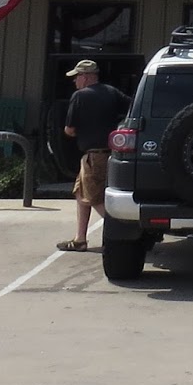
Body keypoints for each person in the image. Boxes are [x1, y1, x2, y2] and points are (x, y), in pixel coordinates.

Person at [58, 59, 130, 251]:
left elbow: (70, 129)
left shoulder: (79, 96)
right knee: (81, 194)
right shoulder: (112, 92)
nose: (75, 81)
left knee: (96, 199)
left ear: (86, 77)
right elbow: (133, 110)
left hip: (94, 156)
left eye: (77, 77)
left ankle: (129, 234)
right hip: (110, 154)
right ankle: (80, 239)